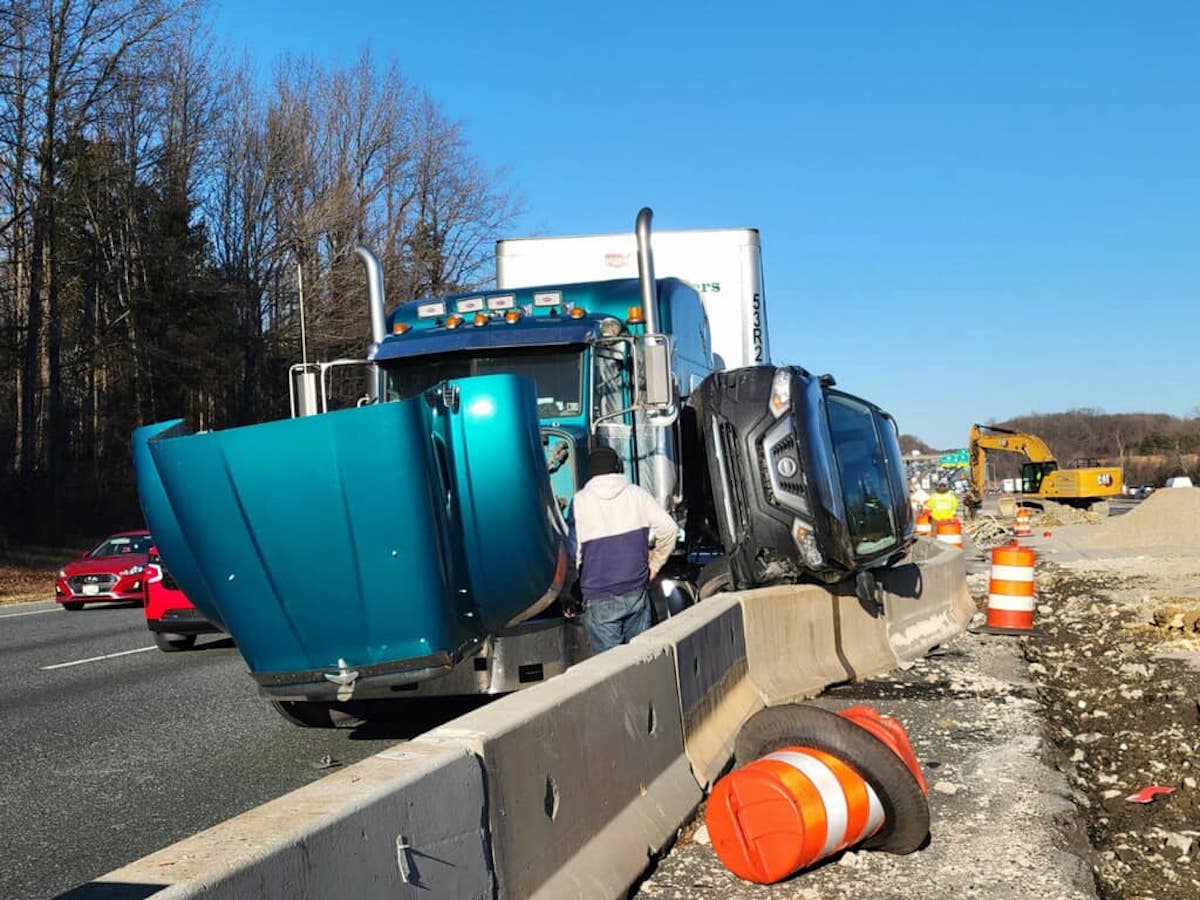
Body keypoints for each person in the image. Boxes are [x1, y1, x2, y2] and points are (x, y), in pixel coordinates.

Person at [568, 446, 678, 653]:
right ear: (617, 467)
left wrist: (569, 591)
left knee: (611, 671)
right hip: (636, 590)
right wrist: (654, 565)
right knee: (640, 660)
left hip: (599, 596)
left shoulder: (580, 502)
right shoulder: (637, 494)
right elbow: (669, 528)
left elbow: (573, 551)